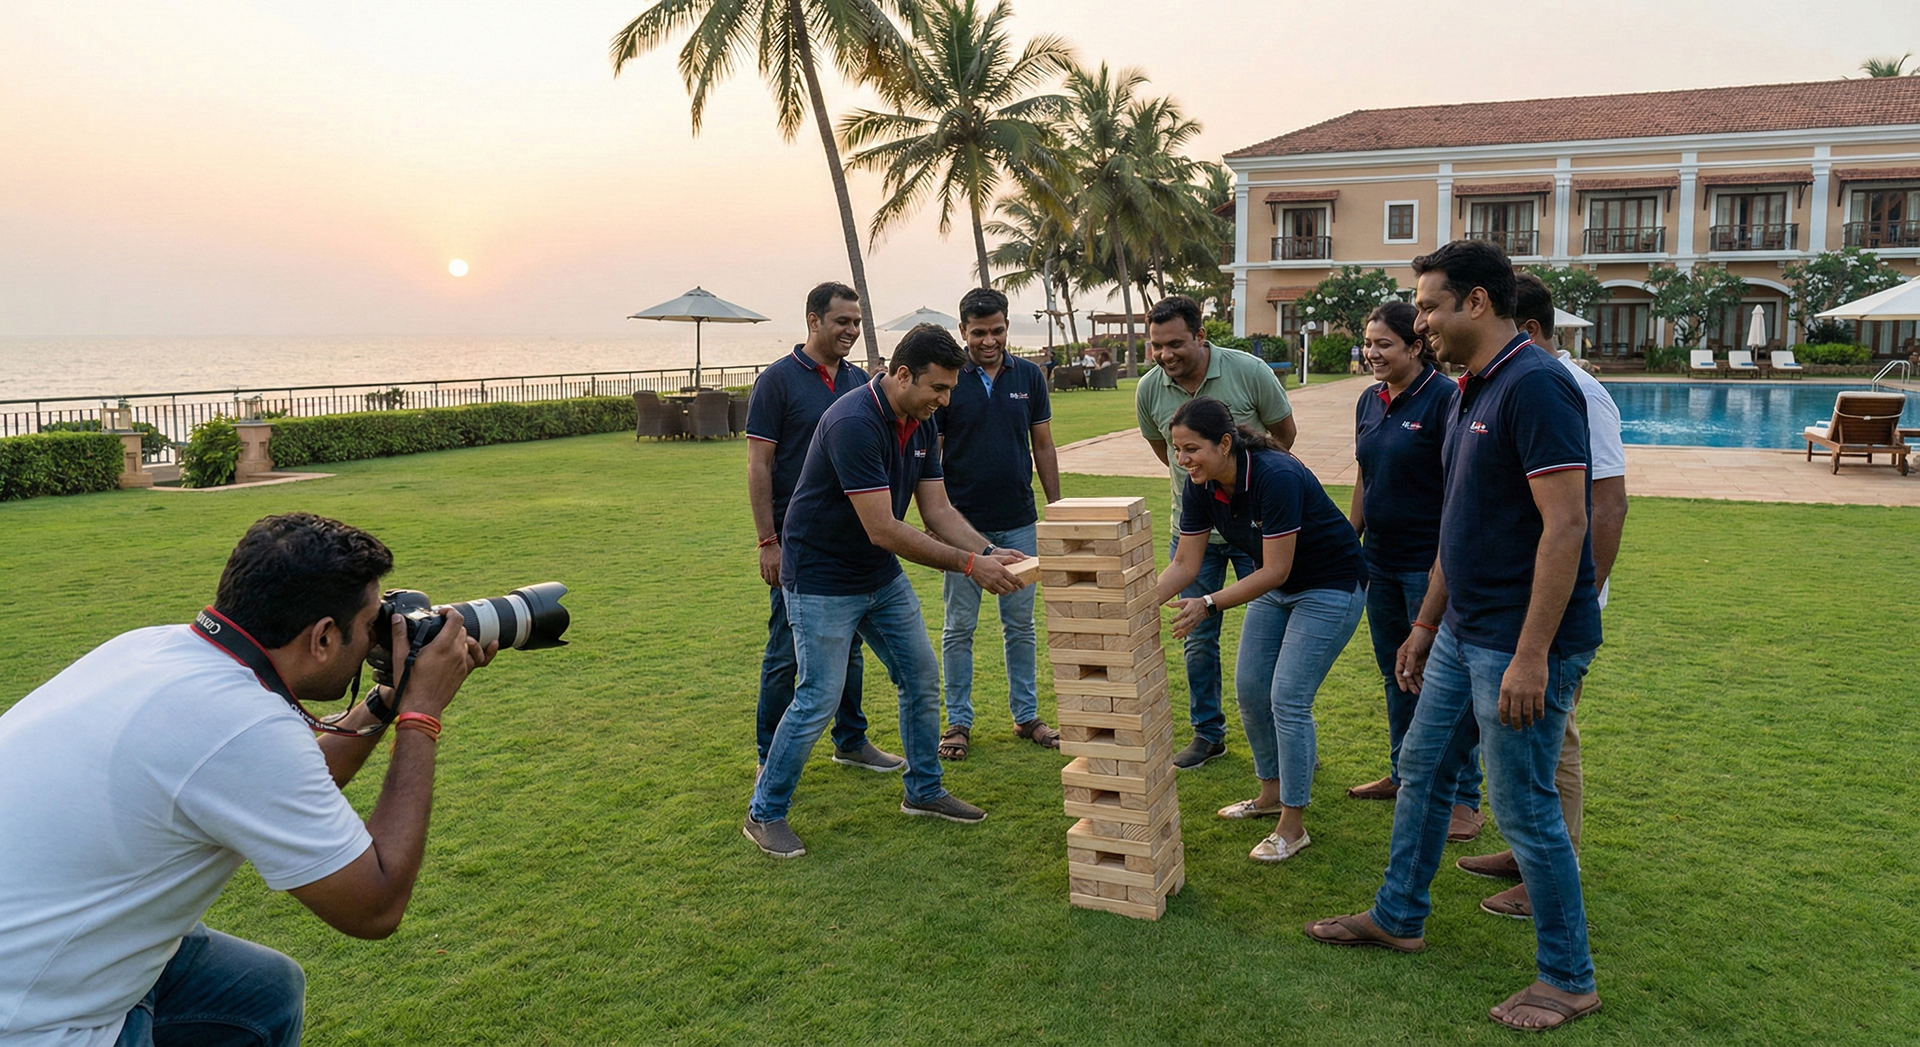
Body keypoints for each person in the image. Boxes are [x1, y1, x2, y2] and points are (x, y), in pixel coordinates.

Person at [0, 512, 494, 1047]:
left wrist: (384, 701)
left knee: (264, 990)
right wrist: (421, 714)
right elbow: (374, 908)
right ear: (323, 637)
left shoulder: (150, 647)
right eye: (372, 623)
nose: (376, 638)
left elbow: (279, 784)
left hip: (36, 934)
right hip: (32, 1017)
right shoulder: (243, 724)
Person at [1304, 240, 1604, 1032]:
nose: (1422, 323)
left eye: (1430, 306)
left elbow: (1567, 525)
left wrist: (1532, 654)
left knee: (1523, 805)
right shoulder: (1471, 387)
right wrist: (1427, 620)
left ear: (1476, 301)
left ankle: (1568, 977)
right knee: (1423, 766)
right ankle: (1399, 914)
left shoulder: (1535, 385)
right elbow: (1459, 523)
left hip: (1518, 642)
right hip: (1462, 630)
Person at [745, 325, 1027, 858]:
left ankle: (924, 791)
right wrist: (971, 565)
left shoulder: (920, 420)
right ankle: (764, 812)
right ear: (902, 375)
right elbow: (883, 528)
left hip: (878, 575)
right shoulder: (854, 422)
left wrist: (988, 550)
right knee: (818, 696)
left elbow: (936, 509)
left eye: (950, 390)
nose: (945, 401)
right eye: (938, 388)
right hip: (822, 576)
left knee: (920, 677)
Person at [1459, 272, 1630, 918]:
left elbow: (1607, 505)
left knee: (1555, 739)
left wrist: (1578, 601)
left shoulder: (1576, 391)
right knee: (1533, 738)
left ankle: (1553, 872)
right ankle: (1526, 853)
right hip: (1520, 599)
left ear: (1525, 329)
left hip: (1558, 607)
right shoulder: (1514, 383)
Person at [1149, 396, 1365, 862]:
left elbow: (1275, 570)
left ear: (1225, 444)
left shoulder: (1275, 475)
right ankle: (1269, 794)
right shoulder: (1201, 485)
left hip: (1330, 585)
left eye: (1192, 449)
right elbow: (1185, 564)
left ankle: (1293, 826)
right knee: (1250, 690)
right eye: (1177, 449)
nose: (1183, 459)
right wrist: (1136, 604)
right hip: (1279, 587)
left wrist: (1208, 603)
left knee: (1288, 698)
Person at [745, 281, 904, 776]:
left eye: (856, 322)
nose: (852, 330)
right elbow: (758, 465)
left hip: (853, 540)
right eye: (842, 322)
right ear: (813, 320)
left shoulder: (860, 381)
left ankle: (850, 740)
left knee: (850, 645)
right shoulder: (777, 381)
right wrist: (768, 540)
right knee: (785, 652)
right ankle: (769, 756)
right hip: (797, 544)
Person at [1134, 294, 1297, 769]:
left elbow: (1283, 437)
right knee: (1197, 635)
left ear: (1201, 336)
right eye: (1156, 345)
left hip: (1256, 531)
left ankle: (1285, 739)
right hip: (1194, 533)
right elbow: (1168, 454)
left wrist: (1246, 487)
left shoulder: (1249, 371)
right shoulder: (1148, 389)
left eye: (1175, 344)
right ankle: (1208, 734)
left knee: (1271, 638)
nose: (1165, 355)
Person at [1344, 302, 1485, 845]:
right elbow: (1365, 475)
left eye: (1384, 344)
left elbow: (1459, 488)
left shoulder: (1447, 399)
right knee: (1395, 672)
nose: (1372, 353)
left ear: (1416, 346)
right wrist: (1350, 541)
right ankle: (1404, 773)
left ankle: (1463, 797)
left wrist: (1441, 564)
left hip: (1429, 568)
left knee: (1442, 681)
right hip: (1378, 561)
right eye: (1368, 343)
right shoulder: (1369, 399)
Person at [934, 287, 1063, 760]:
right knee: (958, 628)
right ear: (962, 331)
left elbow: (1043, 445)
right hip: (962, 528)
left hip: (1019, 521)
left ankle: (1026, 716)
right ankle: (958, 722)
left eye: (997, 331)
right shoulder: (950, 380)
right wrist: (935, 520)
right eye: (978, 333)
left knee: (1020, 626)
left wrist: (1057, 507)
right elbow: (933, 456)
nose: (989, 341)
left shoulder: (1029, 375)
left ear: (1007, 326)